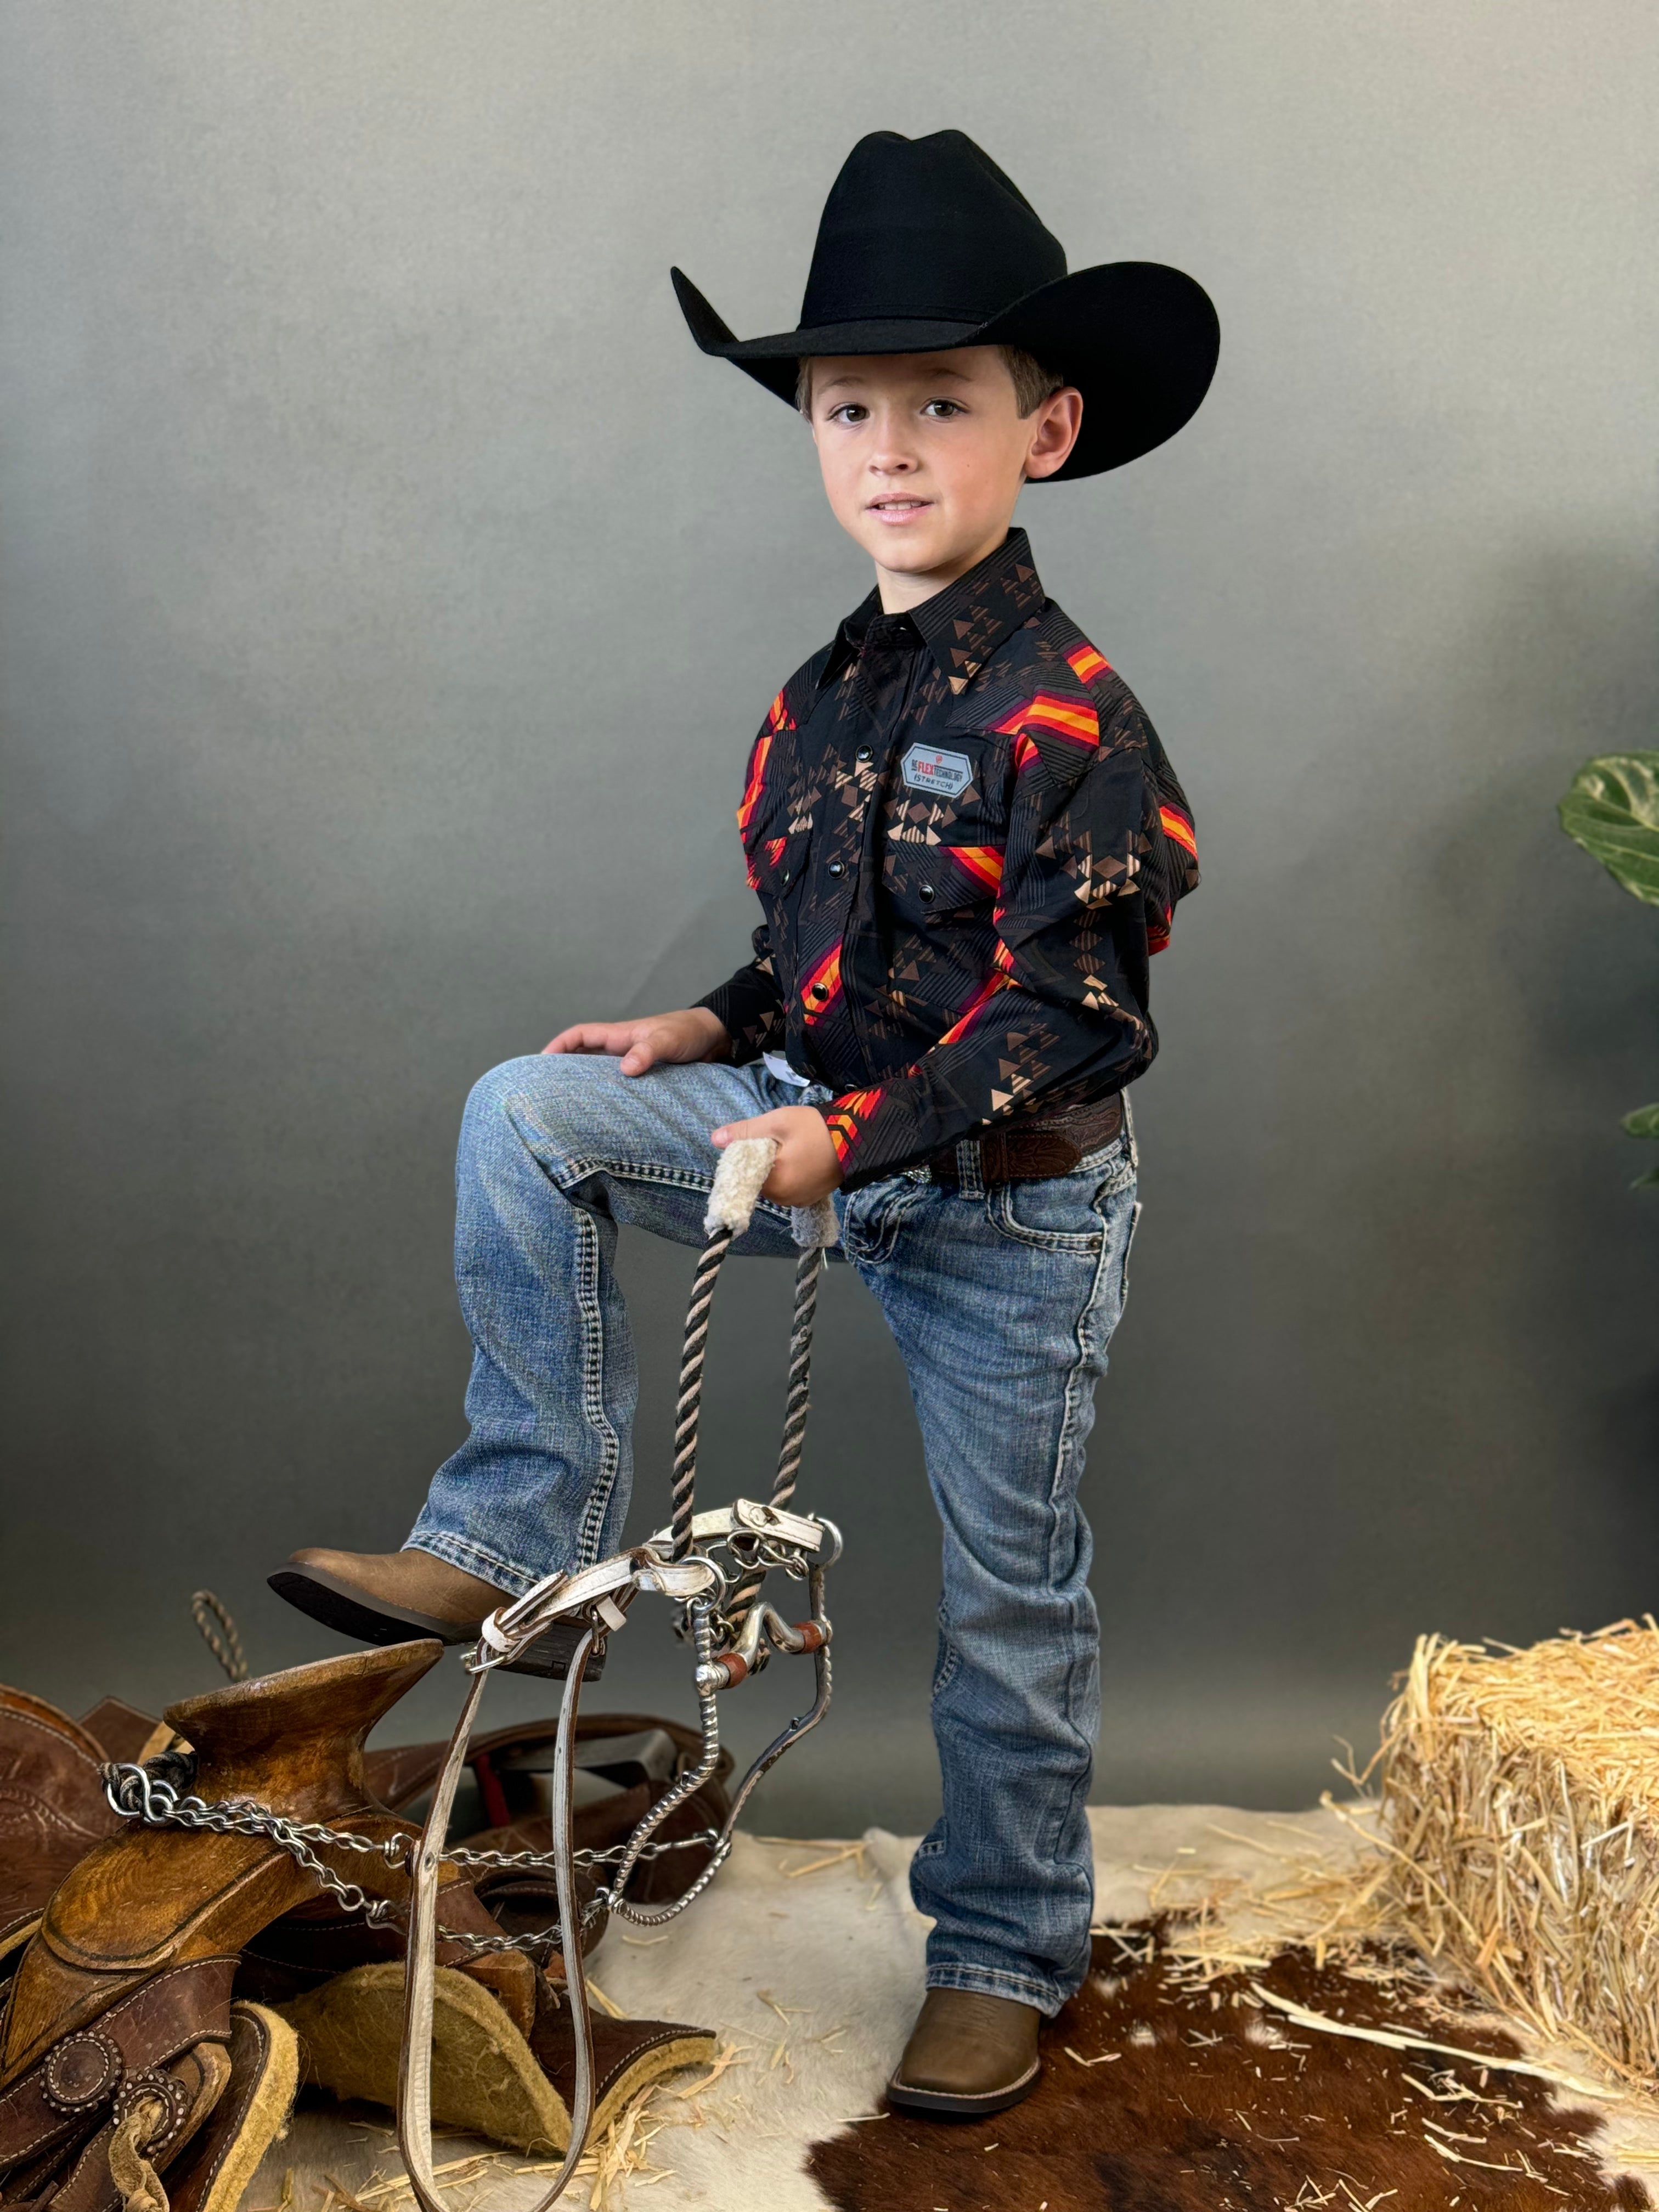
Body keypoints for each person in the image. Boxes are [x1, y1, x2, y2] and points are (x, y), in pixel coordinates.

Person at [273, 129, 1216, 2118]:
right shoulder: (819, 697)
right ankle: (513, 1543)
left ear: (1040, 433)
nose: (888, 442)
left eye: (940, 404)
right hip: (813, 1122)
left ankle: (1002, 1949)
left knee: (1014, 1593)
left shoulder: (1077, 719)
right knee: (528, 1110)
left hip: (1003, 1207)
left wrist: (839, 1141)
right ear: (810, 430)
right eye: (847, 405)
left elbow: (1078, 1015)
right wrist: (702, 1023)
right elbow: (822, 962)